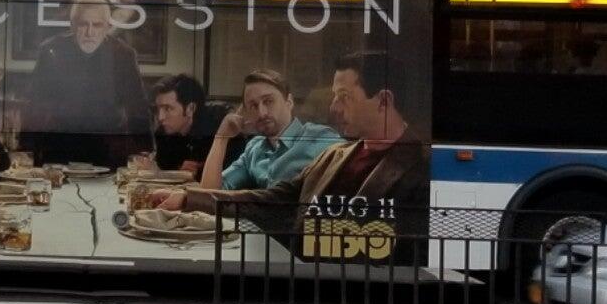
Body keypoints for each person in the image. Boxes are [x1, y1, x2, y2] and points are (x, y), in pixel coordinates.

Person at [152, 50, 429, 249]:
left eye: (344, 97)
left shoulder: (424, 167)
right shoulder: (336, 154)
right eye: (335, 97)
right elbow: (274, 198)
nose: (333, 108)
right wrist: (188, 198)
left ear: (383, 101)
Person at [22, 0, 149, 167]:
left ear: (107, 26)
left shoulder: (124, 54)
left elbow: (137, 107)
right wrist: (25, 149)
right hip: (59, 146)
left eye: (97, 25)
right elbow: (34, 104)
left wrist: (145, 152)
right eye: (84, 24)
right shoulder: (51, 50)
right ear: (73, 25)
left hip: (109, 147)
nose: (90, 32)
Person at [198, 68, 342, 191]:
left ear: (289, 102)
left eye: (268, 101)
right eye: (253, 106)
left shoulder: (320, 138)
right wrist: (221, 138)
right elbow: (209, 193)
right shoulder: (254, 150)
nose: (262, 113)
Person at [150, 73, 234, 175]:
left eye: (168, 108)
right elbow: (165, 167)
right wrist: (179, 171)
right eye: (158, 109)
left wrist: (201, 170)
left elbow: (235, 169)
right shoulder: (163, 134)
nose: (160, 117)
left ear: (190, 108)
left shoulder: (217, 123)